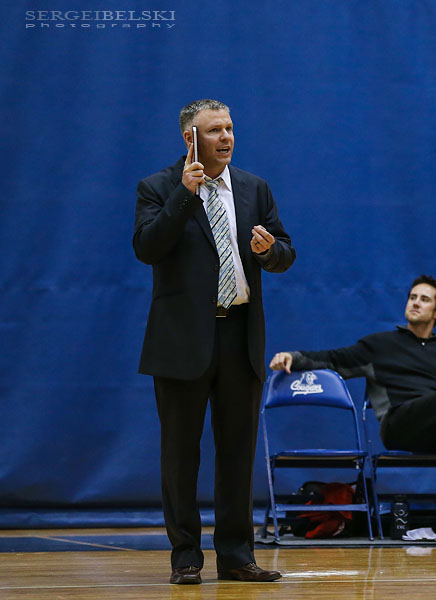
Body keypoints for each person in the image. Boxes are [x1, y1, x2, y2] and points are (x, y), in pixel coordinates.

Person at [134, 99, 295, 584]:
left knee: (237, 451)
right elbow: (147, 248)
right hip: (183, 340)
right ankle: (185, 557)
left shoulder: (253, 188)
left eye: (229, 128)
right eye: (214, 130)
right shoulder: (158, 187)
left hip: (238, 335)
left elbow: (286, 253)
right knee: (181, 455)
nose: (226, 137)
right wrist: (184, 196)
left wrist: (270, 252)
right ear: (191, 139)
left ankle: (235, 555)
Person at [269, 275, 436, 546]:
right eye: (412, 297)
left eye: (424, 299)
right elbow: (332, 359)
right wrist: (294, 358)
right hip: (399, 423)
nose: (415, 303)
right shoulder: (380, 345)